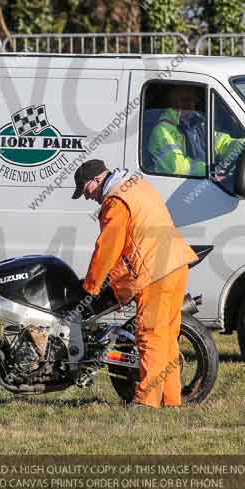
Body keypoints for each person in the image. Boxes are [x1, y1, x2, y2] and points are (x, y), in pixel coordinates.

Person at [72, 159, 198, 409]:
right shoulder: (137, 186)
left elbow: (108, 246)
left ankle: (146, 401)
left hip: (156, 272)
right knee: (167, 337)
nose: (89, 198)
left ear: (97, 180)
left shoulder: (116, 200)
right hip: (176, 264)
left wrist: (91, 286)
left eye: (87, 191)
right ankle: (170, 400)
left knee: (150, 335)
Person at [147, 85, 242, 177]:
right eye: (184, 100)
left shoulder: (198, 124)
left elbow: (223, 143)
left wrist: (244, 145)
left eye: (193, 100)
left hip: (206, 181)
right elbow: (175, 167)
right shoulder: (162, 130)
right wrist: (209, 170)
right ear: (173, 102)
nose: (190, 104)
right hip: (179, 187)